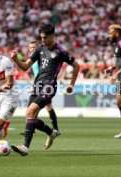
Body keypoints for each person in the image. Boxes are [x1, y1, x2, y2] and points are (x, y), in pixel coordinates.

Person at [10, 23, 80, 156]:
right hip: (37, 85)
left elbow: (76, 66)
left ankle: (25, 147)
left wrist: (71, 84)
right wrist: (15, 60)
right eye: (41, 37)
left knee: (30, 112)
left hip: (49, 86)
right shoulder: (39, 49)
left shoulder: (61, 52)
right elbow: (25, 67)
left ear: (52, 36)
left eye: (45, 37)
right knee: (30, 117)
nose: (42, 40)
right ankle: (51, 132)